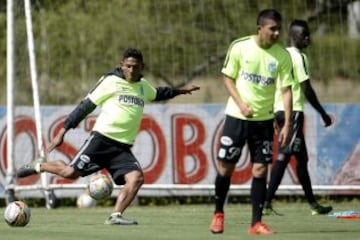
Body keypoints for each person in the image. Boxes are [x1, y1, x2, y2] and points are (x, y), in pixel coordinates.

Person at [17, 48, 200, 225]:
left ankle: (115, 215)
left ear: (141, 67)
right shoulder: (110, 81)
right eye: (128, 66)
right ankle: (39, 165)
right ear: (122, 65)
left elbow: (159, 93)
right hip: (101, 140)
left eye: (135, 66)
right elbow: (86, 106)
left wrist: (180, 91)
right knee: (70, 173)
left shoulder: (143, 87)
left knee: (136, 178)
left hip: (122, 148)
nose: (131, 70)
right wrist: (63, 130)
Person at [209, 9, 293, 235]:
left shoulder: (282, 56)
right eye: (272, 29)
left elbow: (286, 90)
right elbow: (227, 78)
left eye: (278, 29)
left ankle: (256, 223)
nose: (276, 33)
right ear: (260, 28)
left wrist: (287, 124)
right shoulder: (240, 47)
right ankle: (218, 214)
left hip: (264, 122)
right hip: (237, 117)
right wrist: (241, 104)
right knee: (226, 168)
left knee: (260, 170)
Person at [263, 19, 334, 216]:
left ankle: (313, 204)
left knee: (301, 159)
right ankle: (266, 202)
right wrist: (322, 113)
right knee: (284, 156)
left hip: (279, 111)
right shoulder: (298, 57)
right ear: (295, 37)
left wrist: (272, 114)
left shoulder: (281, 55)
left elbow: (272, 86)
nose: (308, 38)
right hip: (291, 112)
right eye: (305, 35)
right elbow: (306, 88)